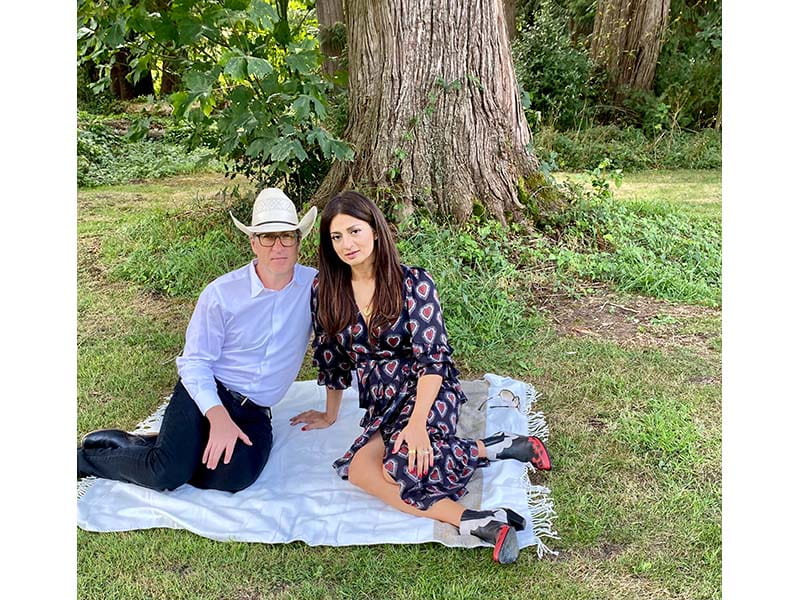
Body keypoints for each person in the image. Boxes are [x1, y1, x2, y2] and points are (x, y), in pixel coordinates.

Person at [289, 191, 552, 564]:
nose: (347, 244)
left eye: (354, 231)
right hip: (382, 401)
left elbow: (433, 361)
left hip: (427, 388)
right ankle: (490, 461)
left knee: (403, 466)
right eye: (336, 237)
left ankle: (481, 521)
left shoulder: (414, 282)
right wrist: (331, 414)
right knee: (363, 471)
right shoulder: (325, 290)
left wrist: (417, 425)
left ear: (375, 231)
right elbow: (332, 359)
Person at [78, 188, 317, 493]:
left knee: (235, 478)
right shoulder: (221, 294)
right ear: (253, 242)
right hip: (206, 393)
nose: (278, 246)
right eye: (267, 237)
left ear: (298, 240)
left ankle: (160, 445)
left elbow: (348, 328)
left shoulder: (314, 287)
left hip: (254, 410)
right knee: (165, 474)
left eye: (287, 236)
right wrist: (217, 416)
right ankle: (86, 459)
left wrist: (332, 409)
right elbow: (194, 363)